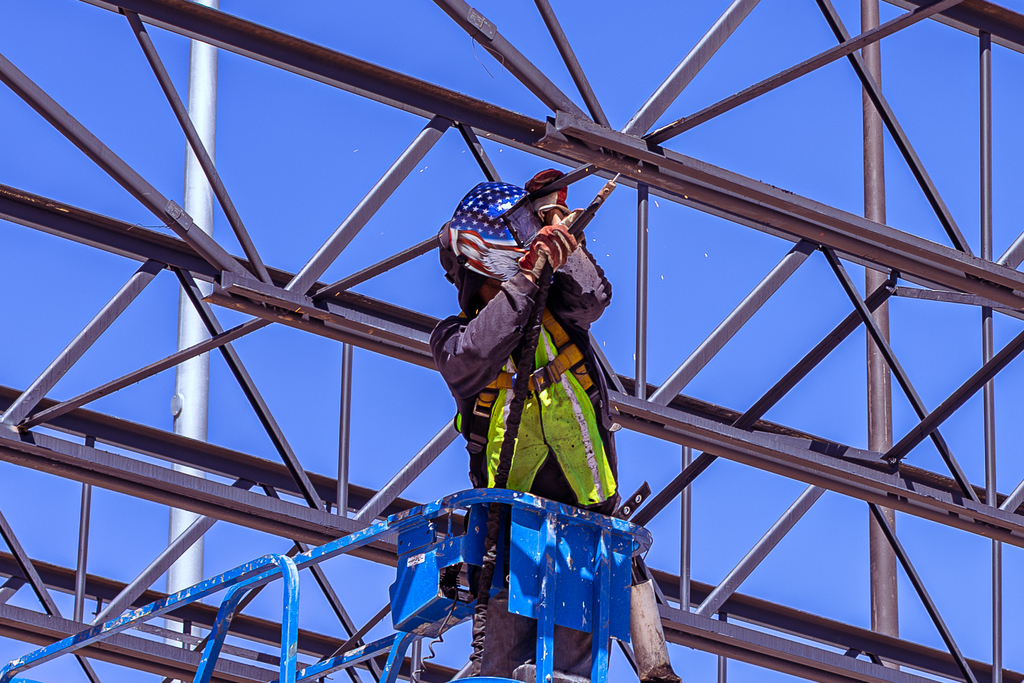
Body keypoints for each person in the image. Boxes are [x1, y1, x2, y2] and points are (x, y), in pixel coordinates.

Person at [430, 170, 621, 682]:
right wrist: (528, 275)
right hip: (509, 535)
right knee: (503, 668)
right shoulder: (455, 337)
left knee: (568, 674)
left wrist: (563, 239)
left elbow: (593, 297)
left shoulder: (562, 314)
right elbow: (474, 356)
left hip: (585, 523)